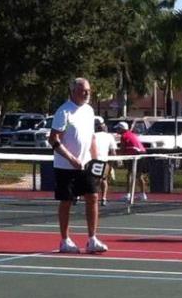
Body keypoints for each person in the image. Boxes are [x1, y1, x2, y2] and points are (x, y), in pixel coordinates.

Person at [48, 77, 108, 255]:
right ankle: (65, 240)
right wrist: (71, 158)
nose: (87, 93)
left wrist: (97, 161)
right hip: (65, 167)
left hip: (86, 165)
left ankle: (92, 239)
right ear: (73, 91)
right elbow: (53, 139)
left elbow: (91, 138)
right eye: (84, 90)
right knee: (66, 202)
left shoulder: (89, 111)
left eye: (89, 90)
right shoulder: (64, 112)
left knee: (93, 197)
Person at [114, 120, 147, 202]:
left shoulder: (124, 136)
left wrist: (115, 156)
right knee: (139, 175)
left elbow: (122, 150)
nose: (117, 130)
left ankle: (128, 194)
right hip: (142, 154)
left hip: (135, 155)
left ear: (122, 129)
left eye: (118, 128)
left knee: (129, 175)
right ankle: (143, 195)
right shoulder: (132, 134)